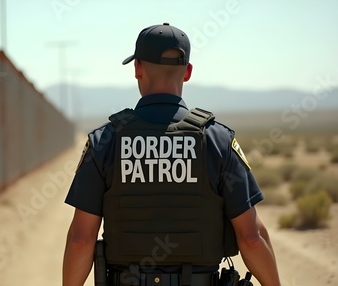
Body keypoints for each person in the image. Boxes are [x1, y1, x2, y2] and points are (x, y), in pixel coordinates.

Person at [62, 23, 281, 286]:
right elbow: (251, 238)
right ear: (187, 72)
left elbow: (81, 240)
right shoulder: (218, 140)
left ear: (137, 68)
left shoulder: (105, 141)